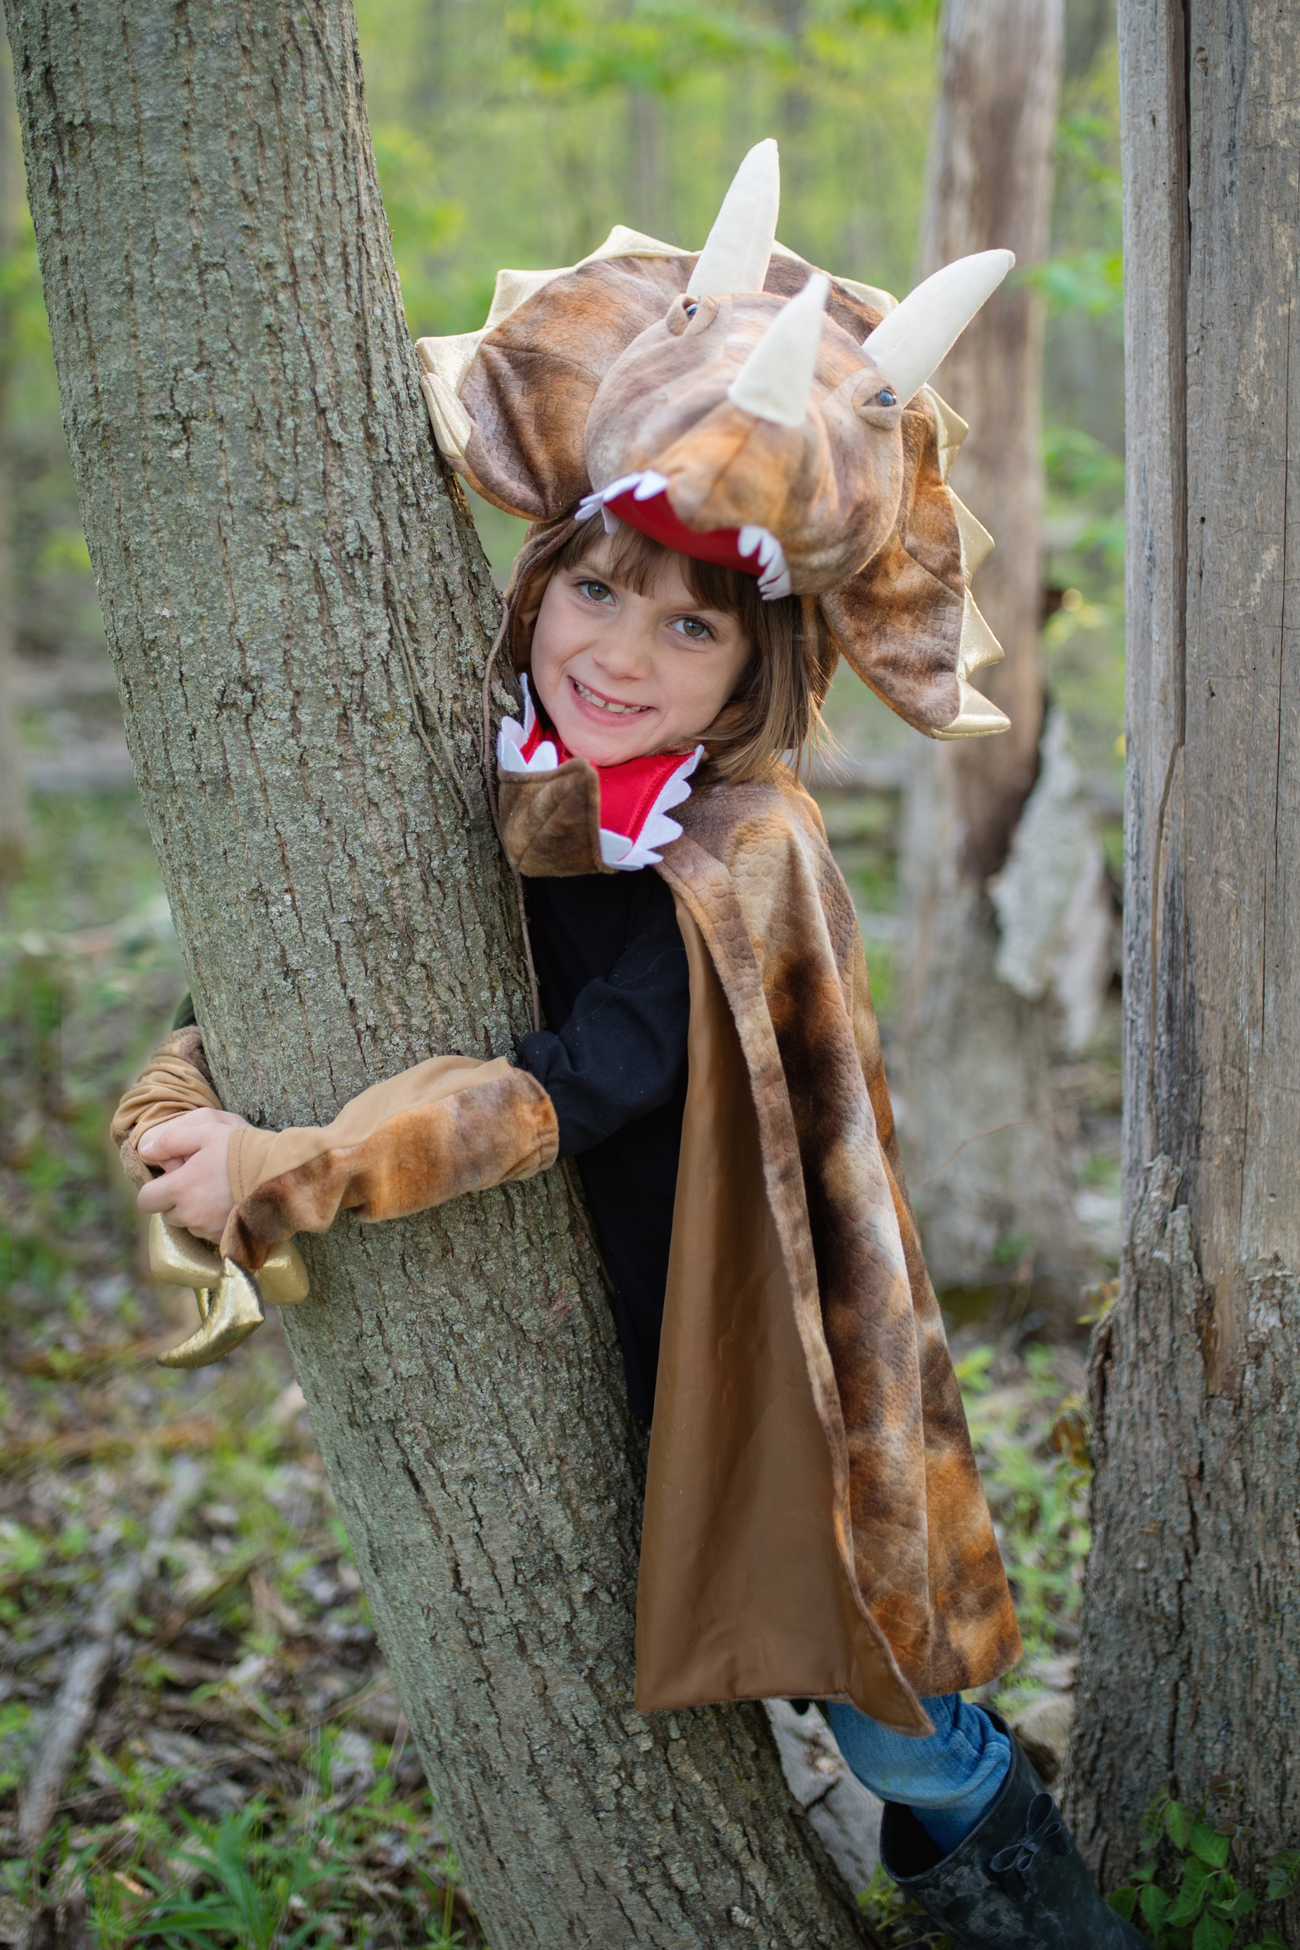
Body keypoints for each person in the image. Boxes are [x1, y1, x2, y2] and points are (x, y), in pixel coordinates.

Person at [112, 144, 1141, 1949]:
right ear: (538, 582)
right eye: (597, 589)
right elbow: (350, 978)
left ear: (754, 672)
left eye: (689, 624)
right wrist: (185, 1092)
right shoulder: (525, 790)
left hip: (770, 1364)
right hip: (631, 1329)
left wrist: (300, 1164)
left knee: (884, 1721)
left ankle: (1037, 1899)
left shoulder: (740, 849)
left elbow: (573, 1083)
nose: (620, 650)